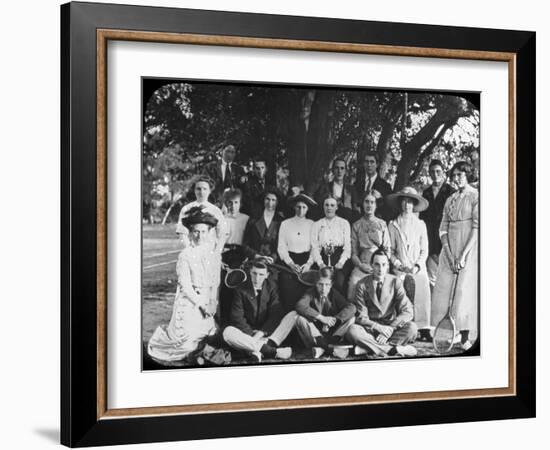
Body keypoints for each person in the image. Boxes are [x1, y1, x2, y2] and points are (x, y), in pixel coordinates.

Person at [147, 208, 220, 362]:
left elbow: (214, 282)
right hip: (190, 301)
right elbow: (186, 286)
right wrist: (202, 306)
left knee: (212, 334)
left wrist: (213, 302)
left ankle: (201, 352)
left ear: (208, 233)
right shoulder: (185, 255)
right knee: (185, 344)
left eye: (203, 232)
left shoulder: (212, 255)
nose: (199, 236)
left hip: (207, 299)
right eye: (196, 232)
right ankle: (187, 350)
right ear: (190, 233)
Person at [431, 161, 479, 351]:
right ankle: (448, 333)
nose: (456, 178)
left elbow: (476, 228)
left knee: (464, 292)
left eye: (460, 175)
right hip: (449, 250)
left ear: (468, 175)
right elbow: (443, 228)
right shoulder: (450, 199)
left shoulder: (475, 197)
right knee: (445, 290)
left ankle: (466, 336)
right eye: (454, 175)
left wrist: (463, 255)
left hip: (469, 249)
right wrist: (449, 254)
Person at [346, 249, 418, 357]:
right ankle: (391, 349)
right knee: (352, 330)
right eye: (377, 265)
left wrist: (390, 329)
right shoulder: (362, 285)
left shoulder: (395, 282)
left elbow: (407, 311)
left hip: (390, 328)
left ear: (388, 266)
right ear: (371, 265)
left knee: (412, 328)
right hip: (370, 329)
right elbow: (362, 317)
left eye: (384, 265)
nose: (380, 269)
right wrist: (378, 328)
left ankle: (368, 349)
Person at [222, 262, 297, 362]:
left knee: (293, 315)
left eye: (261, 274)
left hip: (267, 334)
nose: (257, 278)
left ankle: (257, 350)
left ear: (267, 275)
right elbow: (237, 317)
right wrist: (252, 334)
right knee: (228, 332)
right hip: (247, 333)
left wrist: (261, 332)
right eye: (254, 273)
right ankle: (271, 351)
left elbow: (276, 314)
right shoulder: (240, 289)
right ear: (250, 272)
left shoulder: (272, 287)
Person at [386, 186, 432, 340]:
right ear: (400, 204)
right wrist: (398, 264)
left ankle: (423, 327)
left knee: (422, 285)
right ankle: (402, 326)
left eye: (410, 202)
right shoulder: (393, 225)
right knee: (398, 288)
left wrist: (417, 265)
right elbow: (390, 250)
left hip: (417, 268)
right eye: (404, 201)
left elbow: (424, 250)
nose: (407, 205)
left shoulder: (421, 225)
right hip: (400, 268)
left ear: (414, 204)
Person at [295, 267, 356, 358]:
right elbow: (299, 305)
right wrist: (321, 318)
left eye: (327, 285)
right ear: (316, 284)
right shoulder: (311, 293)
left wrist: (335, 320)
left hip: (332, 332)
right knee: (298, 318)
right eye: (320, 284)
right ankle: (329, 349)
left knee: (352, 318)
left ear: (331, 284)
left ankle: (322, 348)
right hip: (316, 334)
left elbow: (351, 307)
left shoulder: (334, 294)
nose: (324, 288)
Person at [347, 190, 391, 299]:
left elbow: (388, 249)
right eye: (366, 202)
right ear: (362, 204)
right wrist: (361, 265)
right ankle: (353, 312)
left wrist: (381, 265)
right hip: (363, 264)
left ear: (376, 205)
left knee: (383, 287)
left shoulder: (382, 224)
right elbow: (354, 253)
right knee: (353, 283)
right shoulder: (356, 225)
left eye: (372, 202)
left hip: (380, 264)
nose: (369, 205)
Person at [419, 160, 456, 289]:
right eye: (432, 172)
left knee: (446, 279)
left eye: (438, 171)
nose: (435, 174)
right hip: (430, 239)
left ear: (443, 172)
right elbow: (423, 218)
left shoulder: (451, 192)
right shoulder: (426, 193)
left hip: (446, 239)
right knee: (431, 278)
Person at [277, 193, 316, 311]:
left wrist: (308, 264)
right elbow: (281, 246)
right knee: (288, 292)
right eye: (298, 207)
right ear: (294, 207)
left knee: (305, 294)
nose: (301, 210)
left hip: (306, 263)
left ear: (308, 209)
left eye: (304, 207)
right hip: (289, 264)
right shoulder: (285, 224)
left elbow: (315, 247)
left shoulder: (312, 224)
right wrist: (290, 264)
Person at [310, 195, 351, 295]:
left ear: (336, 207)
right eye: (326, 205)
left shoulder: (344, 223)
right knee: (321, 283)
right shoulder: (317, 224)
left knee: (339, 281)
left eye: (332, 205)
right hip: (322, 257)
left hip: (339, 257)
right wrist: (320, 264)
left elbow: (347, 247)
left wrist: (341, 262)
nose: (329, 208)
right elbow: (314, 247)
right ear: (323, 207)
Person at [219, 189, 249, 324]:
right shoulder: (221, 219)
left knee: (238, 288)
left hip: (240, 255)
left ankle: (238, 322)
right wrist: (218, 259)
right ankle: (224, 323)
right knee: (225, 290)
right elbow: (216, 241)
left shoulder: (246, 219)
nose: (233, 206)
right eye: (230, 203)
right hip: (224, 255)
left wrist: (246, 258)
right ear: (226, 203)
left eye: (236, 202)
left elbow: (249, 241)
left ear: (240, 203)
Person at [176, 175, 227, 253]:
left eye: (205, 189)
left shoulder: (216, 211)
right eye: (198, 189)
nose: (201, 192)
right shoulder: (186, 209)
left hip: (210, 252)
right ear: (194, 190)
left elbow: (222, 235)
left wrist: (216, 253)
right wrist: (190, 251)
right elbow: (182, 234)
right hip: (192, 252)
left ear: (210, 191)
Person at [242, 189, 283, 265]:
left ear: (277, 202)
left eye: (273, 200)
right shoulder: (254, 219)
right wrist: (256, 256)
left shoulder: (280, 222)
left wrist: (272, 258)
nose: (270, 203)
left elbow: (282, 246)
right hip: (254, 261)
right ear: (263, 200)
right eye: (267, 199)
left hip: (273, 264)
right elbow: (245, 244)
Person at [314, 157, 358, 223]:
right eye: (337, 168)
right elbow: (319, 207)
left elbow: (355, 210)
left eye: (342, 168)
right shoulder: (325, 187)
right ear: (332, 170)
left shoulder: (351, 189)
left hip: (346, 223)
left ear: (345, 171)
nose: (339, 171)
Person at [354, 152, 393, 221]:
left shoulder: (385, 186)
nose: (369, 165)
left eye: (372, 162)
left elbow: (389, 210)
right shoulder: (357, 184)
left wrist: (380, 198)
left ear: (377, 164)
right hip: (358, 223)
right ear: (363, 164)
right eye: (366, 162)